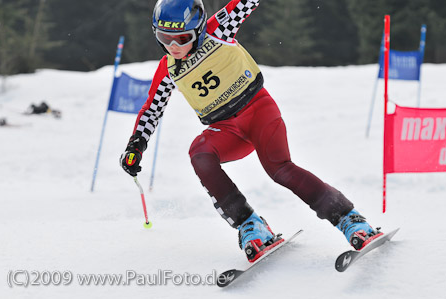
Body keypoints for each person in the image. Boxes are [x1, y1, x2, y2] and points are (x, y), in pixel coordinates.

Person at [120, 0, 383, 262]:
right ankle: (249, 224)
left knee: (280, 170)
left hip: (258, 112)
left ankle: (350, 219)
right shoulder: (167, 69)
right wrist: (136, 145)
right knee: (199, 153)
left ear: (198, 30)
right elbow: (152, 110)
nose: (173, 47)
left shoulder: (218, 30)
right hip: (227, 129)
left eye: (182, 38)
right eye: (164, 38)